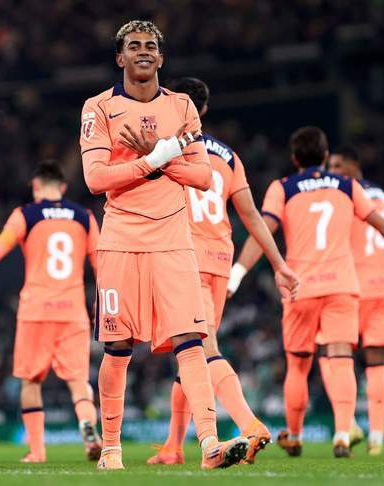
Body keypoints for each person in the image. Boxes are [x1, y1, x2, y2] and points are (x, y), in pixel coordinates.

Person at [80, 20, 297, 470]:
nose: (143, 51)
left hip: (175, 243)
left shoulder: (181, 107)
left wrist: (160, 160)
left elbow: (202, 176)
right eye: (134, 46)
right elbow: (96, 179)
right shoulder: (98, 107)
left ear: (161, 58)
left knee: (192, 341)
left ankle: (210, 445)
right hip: (120, 240)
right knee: (117, 348)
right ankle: (112, 448)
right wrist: (155, 158)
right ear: (120, 57)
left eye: (150, 46)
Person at [228, 127, 384, 457]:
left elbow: (262, 229)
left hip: (300, 286)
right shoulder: (347, 186)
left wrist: (237, 273)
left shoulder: (283, 187)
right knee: (342, 357)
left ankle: (295, 435)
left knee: (298, 365)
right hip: (342, 287)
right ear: (324, 155)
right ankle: (343, 434)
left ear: (294, 158)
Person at [147, 77, 299, 466]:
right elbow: (251, 215)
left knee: (201, 350)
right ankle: (173, 447)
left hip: (184, 257)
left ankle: (251, 425)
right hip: (219, 259)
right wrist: (279, 264)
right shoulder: (229, 157)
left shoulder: (166, 150)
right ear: (205, 110)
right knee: (188, 353)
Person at [0, 159, 102, 463]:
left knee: (31, 381)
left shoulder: (25, 215)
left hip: (36, 310)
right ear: (63, 187)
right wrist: (103, 304)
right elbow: (101, 264)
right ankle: (87, 426)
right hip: (73, 310)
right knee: (78, 381)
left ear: (35, 186)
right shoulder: (84, 217)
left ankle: (37, 451)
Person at [318, 145, 384, 455]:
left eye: (338, 166)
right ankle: (377, 437)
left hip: (352, 287)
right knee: (377, 363)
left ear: (354, 165)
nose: (332, 172)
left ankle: (349, 421)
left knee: (330, 352)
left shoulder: (345, 195)